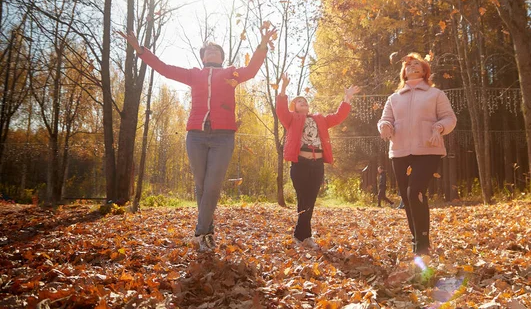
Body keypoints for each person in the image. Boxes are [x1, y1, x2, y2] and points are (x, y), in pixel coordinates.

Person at [118, 27, 275, 253]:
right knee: (201, 186)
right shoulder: (194, 74)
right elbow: (165, 69)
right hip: (196, 136)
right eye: (207, 49)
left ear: (221, 56)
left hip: (223, 137)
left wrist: (262, 44)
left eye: (216, 49)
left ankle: (200, 232)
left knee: (212, 185)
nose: (211, 51)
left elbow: (251, 69)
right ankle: (207, 233)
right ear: (202, 57)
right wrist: (140, 50)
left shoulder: (231, 73)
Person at [378, 52, 456, 255]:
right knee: (407, 196)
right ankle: (417, 240)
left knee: (415, 192)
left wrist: (439, 127)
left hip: (428, 150)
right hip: (400, 151)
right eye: (409, 65)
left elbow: (449, 118)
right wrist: (385, 125)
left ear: (424, 71)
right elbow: (385, 119)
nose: (412, 67)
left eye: (417, 65)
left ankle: (422, 245)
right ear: (403, 72)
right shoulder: (394, 98)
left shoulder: (435, 94)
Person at [276, 73, 360, 249]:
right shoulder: (291, 119)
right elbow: (281, 110)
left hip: (317, 165)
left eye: (305, 101)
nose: (304, 103)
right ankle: (303, 237)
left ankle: (302, 237)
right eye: (300, 102)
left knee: (311, 200)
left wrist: (347, 98)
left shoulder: (319, 119)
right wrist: (283, 88)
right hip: (300, 164)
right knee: (303, 199)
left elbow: (337, 117)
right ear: (294, 106)